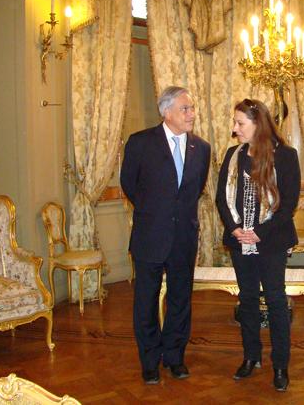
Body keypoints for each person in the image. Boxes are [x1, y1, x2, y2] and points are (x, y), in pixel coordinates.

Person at [121, 86, 211, 385]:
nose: (191, 114)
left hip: (184, 237)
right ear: (166, 111)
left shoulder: (202, 148)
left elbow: (193, 191)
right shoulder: (140, 142)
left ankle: (174, 357)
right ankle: (149, 360)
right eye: (185, 109)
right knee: (145, 301)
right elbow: (129, 185)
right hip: (150, 235)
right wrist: (155, 213)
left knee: (180, 300)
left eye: (192, 108)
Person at [215, 98, 301, 392]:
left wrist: (259, 232)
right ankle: (251, 357)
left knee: (276, 300)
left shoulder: (286, 156)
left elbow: (287, 203)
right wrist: (235, 228)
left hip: (272, 242)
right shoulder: (232, 155)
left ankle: (280, 365)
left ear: (258, 124)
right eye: (235, 122)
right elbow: (220, 199)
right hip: (240, 241)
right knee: (247, 299)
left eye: (240, 123)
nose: (235, 128)